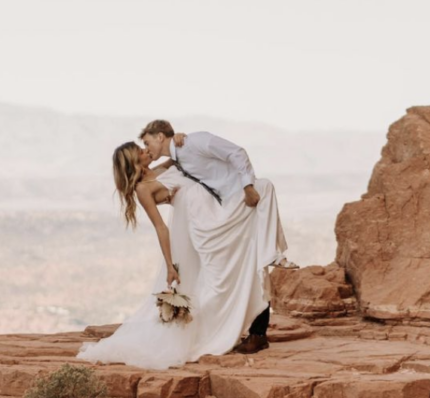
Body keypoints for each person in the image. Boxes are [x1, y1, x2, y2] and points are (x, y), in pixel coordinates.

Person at [76, 122, 292, 370]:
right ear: (134, 161)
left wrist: (177, 137)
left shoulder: (162, 168)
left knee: (263, 188)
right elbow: (161, 227)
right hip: (204, 227)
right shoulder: (143, 189)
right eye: (142, 150)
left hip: (215, 215)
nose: (146, 151)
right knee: (219, 281)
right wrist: (170, 265)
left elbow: (177, 156)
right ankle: (219, 331)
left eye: (146, 145)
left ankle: (270, 259)